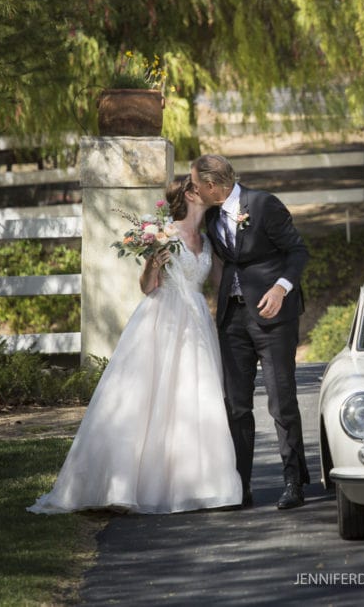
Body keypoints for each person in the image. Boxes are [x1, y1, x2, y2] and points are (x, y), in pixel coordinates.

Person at [28, 177, 241, 514]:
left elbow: (222, 282)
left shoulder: (207, 239)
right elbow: (147, 286)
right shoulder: (164, 234)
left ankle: (199, 484)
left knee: (193, 397)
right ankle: (122, 484)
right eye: (204, 186)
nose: (212, 191)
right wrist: (153, 266)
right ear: (190, 194)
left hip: (196, 320)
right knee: (145, 399)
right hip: (162, 317)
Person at [190, 154, 310, 510]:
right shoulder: (209, 215)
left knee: (281, 399)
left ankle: (293, 481)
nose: (193, 190)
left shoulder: (263, 204)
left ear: (213, 185)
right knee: (236, 404)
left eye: (196, 184)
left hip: (273, 316)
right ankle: (239, 484)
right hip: (233, 318)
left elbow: (298, 251)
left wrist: (281, 288)